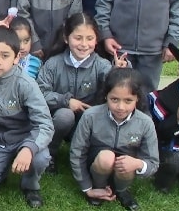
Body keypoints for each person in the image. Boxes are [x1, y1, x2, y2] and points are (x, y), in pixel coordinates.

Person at [0, 27, 54, 208]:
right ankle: (2, 167)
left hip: (23, 139)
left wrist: (29, 148)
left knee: (41, 157)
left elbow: (45, 124)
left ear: (16, 58)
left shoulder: (25, 84)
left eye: (5, 56)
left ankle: (30, 185)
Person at [37, 13, 129, 174]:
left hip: (87, 121)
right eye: (78, 38)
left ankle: (86, 154)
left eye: (89, 38)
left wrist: (118, 70)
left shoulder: (101, 65)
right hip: (57, 119)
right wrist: (66, 101)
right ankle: (51, 152)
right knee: (65, 115)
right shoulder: (53, 63)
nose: (84, 44)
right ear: (66, 38)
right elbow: (40, 93)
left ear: (96, 39)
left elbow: (115, 86)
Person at [70, 68, 159, 209]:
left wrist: (138, 164)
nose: (120, 107)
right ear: (106, 96)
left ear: (138, 99)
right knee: (106, 157)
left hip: (125, 168)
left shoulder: (146, 123)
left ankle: (122, 190)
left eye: (128, 100)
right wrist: (87, 187)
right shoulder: (90, 116)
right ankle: (98, 187)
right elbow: (77, 152)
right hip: (97, 164)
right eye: (114, 99)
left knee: (129, 163)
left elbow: (153, 162)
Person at [148, 43, 179, 193]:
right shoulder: (161, 98)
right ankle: (162, 182)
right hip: (170, 148)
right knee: (174, 162)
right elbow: (157, 134)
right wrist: (178, 119)